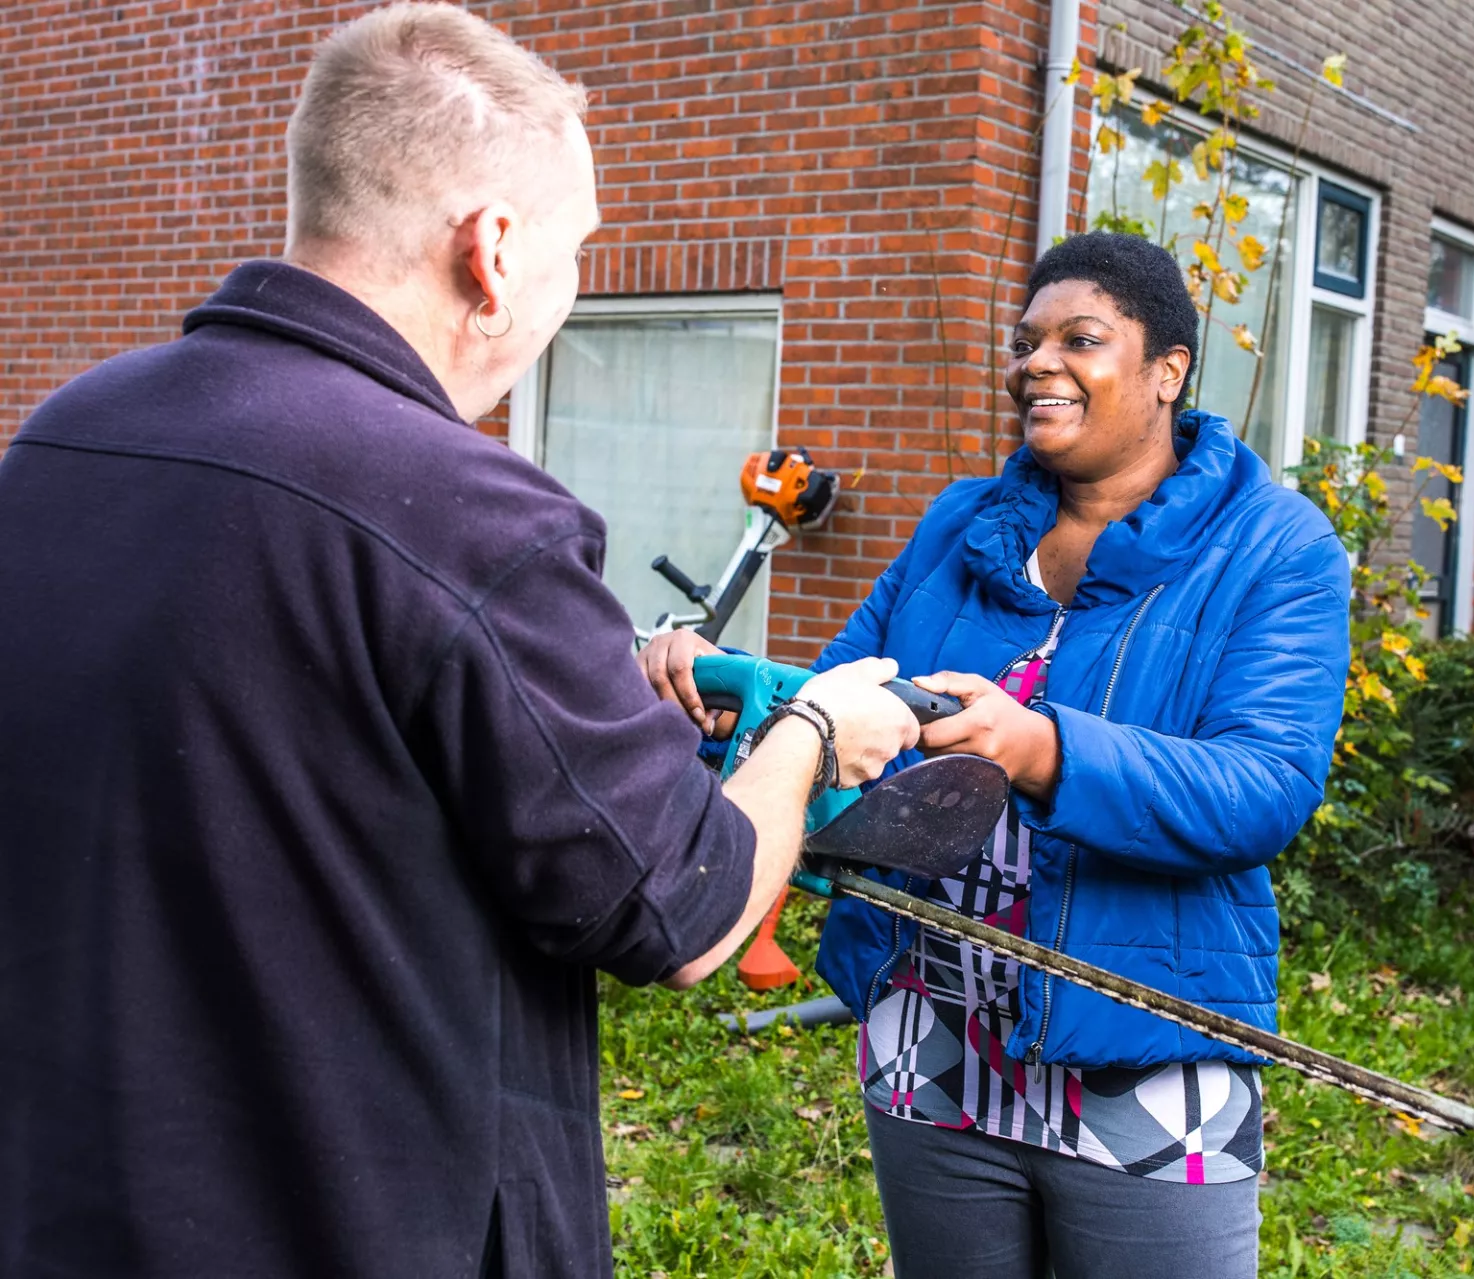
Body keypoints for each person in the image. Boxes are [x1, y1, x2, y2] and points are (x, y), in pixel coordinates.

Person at [0, 6, 919, 1277]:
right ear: (492, 250)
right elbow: (689, 912)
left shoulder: (65, 439)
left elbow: (279, 770)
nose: (570, 289)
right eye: (577, 250)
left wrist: (607, 720)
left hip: (71, 1208)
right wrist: (816, 733)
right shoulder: (468, 511)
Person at [642, 231, 1350, 1277]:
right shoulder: (959, 524)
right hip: (931, 1035)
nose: (1037, 364)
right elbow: (838, 701)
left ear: (1169, 370)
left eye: (1081, 338)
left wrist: (1040, 747)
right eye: (1026, 341)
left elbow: (1264, 790)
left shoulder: (1276, 547)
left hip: (1139, 1054)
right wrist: (730, 688)